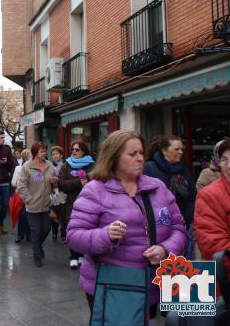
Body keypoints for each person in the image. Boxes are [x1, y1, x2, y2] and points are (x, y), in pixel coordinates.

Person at [67, 130, 187, 320]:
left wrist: (165, 250)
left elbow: (179, 229)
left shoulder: (158, 187)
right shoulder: (95, 190)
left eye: (141, 153)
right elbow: (74, 236)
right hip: (113, 285)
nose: (140, 158)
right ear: (113, 157)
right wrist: (105, 236)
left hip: (153, 282)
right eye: (132, 154)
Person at [144, 135, 196, 258]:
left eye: (182, 149)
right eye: (176, 149)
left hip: (183, 225)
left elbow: (192, 196)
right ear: (164, 150)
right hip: (158, 226)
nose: (181, 152)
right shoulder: (149, 168)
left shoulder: (183, 169)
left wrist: (188, 219)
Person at [194, 137, 230, 287]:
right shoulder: (209, 195)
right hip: (225, 287)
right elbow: (213, 247)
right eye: (224, 160)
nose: (229, 166)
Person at [17, 142, 57, 267]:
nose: (44, 153)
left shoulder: (50, 165)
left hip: (47, 204)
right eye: (41, 151)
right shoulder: (27, 167)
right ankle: (36, 254)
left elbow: (55, 184)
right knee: (36, 230)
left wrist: (55, 182)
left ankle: (38, 246)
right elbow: (21, 185)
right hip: (33, 205)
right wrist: (28, 199)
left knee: (46, 229)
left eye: (45, 151)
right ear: (35, 153)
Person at [58, 140, 94, 269]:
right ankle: (73, 256)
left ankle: (82, 255)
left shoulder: (91, 165)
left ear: (83, 151)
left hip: (89, 203)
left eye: (77, 149)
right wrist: (78, 183)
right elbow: (61, 183)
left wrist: (88, 180)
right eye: (72, 149)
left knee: (85, 229)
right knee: (72, 229)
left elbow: (97, 180)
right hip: (71, 203)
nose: (73, 152)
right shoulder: (66, 165)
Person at [11, 149, 32, 243]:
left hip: (33, 195)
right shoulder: (18, 168)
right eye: (30, 155)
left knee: (29, 215)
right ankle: (21, 235)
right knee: (23, 215)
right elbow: (13, 183)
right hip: (21, 195)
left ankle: (28, 235)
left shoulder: (36, 168)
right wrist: (21, 183)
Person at [49, 145, 66, 242]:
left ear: (61, 155)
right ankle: (54, 232)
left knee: (63, 213)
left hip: (62, 192)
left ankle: (64, 234)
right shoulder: (49, 165)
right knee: (53, 213)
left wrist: (58, 181)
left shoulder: (65, 165)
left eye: (56, 154)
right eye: (53, 154)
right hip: (52, 192)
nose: (55, 156)